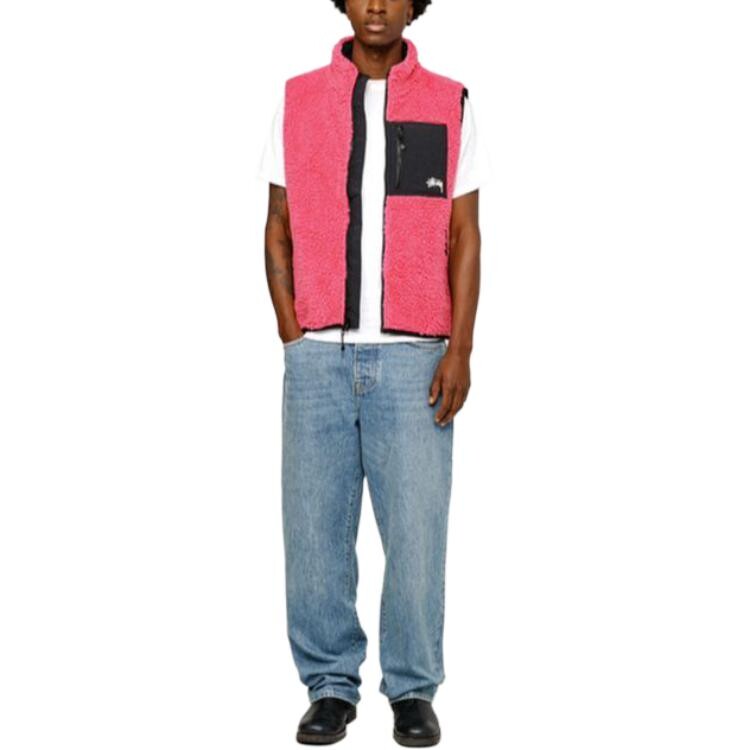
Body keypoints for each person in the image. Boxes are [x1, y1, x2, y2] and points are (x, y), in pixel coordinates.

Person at [258, 1, 490, 744]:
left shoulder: (449, 101)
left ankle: (413, 689)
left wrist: (459, 348)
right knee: (313, 534)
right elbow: (277, 224)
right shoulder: (298, 99)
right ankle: (329, 685)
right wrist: (294, 333)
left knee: (417, 536)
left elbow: (464, 232)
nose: (378, 5)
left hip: (415, 356)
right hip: (318, 357)